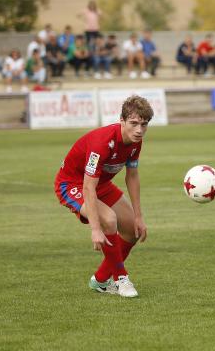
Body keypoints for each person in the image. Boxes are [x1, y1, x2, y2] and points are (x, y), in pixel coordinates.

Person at [54, 96, 153, 298]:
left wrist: (138, 216)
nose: (139, 130)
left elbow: (132, 176)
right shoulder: (102, 143)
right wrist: (95, 229)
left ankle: (100, 280)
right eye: (134, 123)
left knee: (132, 230)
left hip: (101, 185)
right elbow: (88, 187)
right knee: (109, 219)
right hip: (72, 184)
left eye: (144, 125)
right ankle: (121, 279)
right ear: (122, 120)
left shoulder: (136, 142)